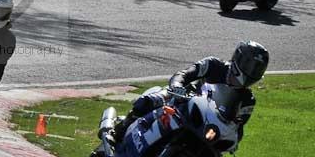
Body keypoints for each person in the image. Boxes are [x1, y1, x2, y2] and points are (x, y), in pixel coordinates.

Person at [112, 41, 269, 145]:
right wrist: (177, 85)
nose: (251, 72)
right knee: (149, 100)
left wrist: (234, 141)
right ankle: (119, 131)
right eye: (249, 65)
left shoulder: (248, 100)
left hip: (205, 128)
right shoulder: (214, 65)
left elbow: (238, 127)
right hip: (183, 100)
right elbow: (185, 73)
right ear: (238, 58)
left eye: (256, 69)